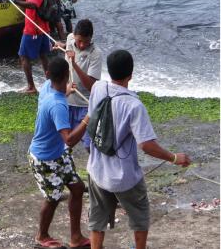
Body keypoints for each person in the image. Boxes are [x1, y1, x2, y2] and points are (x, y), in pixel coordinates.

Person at [86, 50, 191, 249]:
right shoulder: (134, 105)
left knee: (97, 218)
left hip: (97, 170)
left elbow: (92, 117)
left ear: (108, 70)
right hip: (124, 177)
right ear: (131, 75)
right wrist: (175, 157)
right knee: (140, 216)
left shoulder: (98, 88)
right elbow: (146, 145)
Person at [28, 57, 91, 249]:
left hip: (59, 153)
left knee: (77, 187)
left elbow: (60, 89)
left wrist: (68, 90)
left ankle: (76, 237)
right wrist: (88, 118)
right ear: (67, 75)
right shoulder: (58, 105)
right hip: (44, 158)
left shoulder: (47, 86)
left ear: (48, 75)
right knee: (53, 198)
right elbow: (70, 139)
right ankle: (42, 235)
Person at [1, 0, 50, 94]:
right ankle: (50, 83)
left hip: (34, 27)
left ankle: (31, 87)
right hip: (43, 26)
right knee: (43, 55)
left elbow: (33, 4)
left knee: (23, 56)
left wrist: (16, 2)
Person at [55, 19, 102, 152]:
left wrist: (74, 64)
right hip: (67, 101)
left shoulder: (95, 53)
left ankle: (94, 171)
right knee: (64, 143)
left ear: (91, 38)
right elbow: (69, 44)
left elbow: (91, 85)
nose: (81, 45)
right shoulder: (70, 38)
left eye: (85, 42)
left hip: (85, 105)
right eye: (78, 41)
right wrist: (62, 45)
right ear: (74, 36)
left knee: (90, 146)